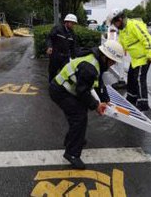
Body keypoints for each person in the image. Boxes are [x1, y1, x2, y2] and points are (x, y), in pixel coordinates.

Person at [49, 40, 124, 169]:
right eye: (112, 60)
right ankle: (72, 154)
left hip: (66, 89)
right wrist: (96, 106)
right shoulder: (90, 67)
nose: (113, 64)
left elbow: (99, 83)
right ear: (105, 57)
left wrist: (105, 99)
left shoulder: (96, 61)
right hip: (60, 90)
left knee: (79, 114)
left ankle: (73, 140)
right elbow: (82, 91)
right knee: (79, 117)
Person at [110, 9, 151, 111]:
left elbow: (146, 38)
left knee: (139, 79)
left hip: (144, 57)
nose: (115, 25)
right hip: (135, 59)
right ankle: (131, 98)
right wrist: (113, 54)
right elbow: (120, 46)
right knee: (131, 77)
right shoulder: (122, 31)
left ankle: (143, 103)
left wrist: (150, 54)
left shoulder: (133, 25)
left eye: (115, 23)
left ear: (120, 19)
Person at [46, 14, 79, 82]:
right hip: (55, 55)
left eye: (74, 23)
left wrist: (75, 59)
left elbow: (73, 48)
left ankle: (60, 88)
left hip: (65, 57)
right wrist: (49, 47)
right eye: (72, 23)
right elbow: (49, 38)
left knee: (64, 74)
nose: (73, 25)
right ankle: (51, 87)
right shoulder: (57, 29)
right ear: (66, 22)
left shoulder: (73, 34)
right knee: (52, 72)